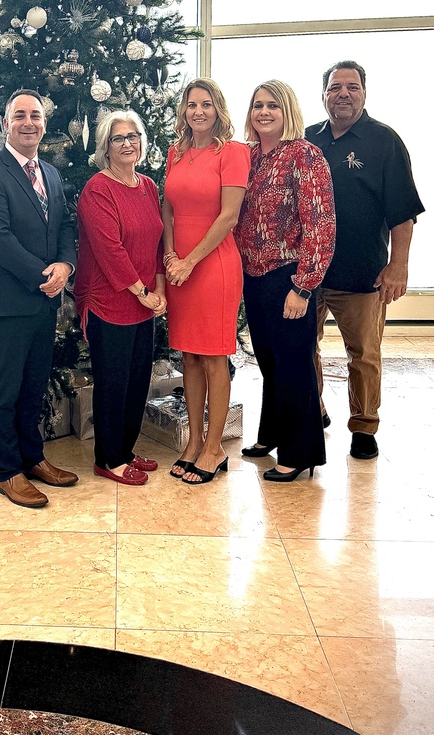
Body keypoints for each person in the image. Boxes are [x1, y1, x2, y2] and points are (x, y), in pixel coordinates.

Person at [305, 61, 425, 459]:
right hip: (308, 272)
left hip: (363, 272)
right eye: (335, 87)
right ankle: (314, 409)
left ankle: (364, 426)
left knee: (364, 354)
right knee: (305, 347)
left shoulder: (383, 141)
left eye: (351, 87)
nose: (343, 93)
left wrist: (399, 265)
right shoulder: (307, 140)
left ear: (364, 93)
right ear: (323, 94)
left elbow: (402, 211)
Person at [0, 88, 78, 508]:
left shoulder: (49, 172)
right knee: (6, 389)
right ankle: (7, 471)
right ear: (6, 124)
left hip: (44, 298)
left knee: (34, 386)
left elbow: (65, 224)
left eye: (35, 115)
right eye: (20, 116)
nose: (28, 122)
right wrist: (42, 276)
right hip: (10, 299)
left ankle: (33, 457)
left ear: (44, 124)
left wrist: (65, 267)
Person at [235, 80, 335, 481]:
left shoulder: (305, 156)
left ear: (288, 110)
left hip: (289, 277)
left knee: (294, 365)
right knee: (269, 363)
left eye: (272, 106)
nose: (263, 112)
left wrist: (303, 286)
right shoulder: (251, 157)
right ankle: (271, 434)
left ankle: (299, 453)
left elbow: (321, 226)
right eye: (257, 105)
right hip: (254, 278)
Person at [162, 79, 250, 485]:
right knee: (189, 356)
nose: (198, 111)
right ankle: (194, 441)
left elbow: (228, 216)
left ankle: (215, 448)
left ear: (218, 109)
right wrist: (170, 258)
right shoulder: (175, 152)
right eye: (192, 104)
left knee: (214, 356)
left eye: (207, 104)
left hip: (213, 265)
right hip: (179, 265)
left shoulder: (233, 153)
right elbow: (168, 210)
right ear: (184, 110)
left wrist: (191, 261)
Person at [75, 111, 166, 486]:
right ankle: (108, 458)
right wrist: (143, 292)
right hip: (110, 301)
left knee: (137, 382)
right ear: (105, 147)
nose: (127, 143)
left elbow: (159, 241)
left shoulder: (148, 185)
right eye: (118, 138)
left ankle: (125, 449)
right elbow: (109, 249)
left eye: (133, 136)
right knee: (113, 384)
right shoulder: (98, 188)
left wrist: (159, 288)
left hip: (145, 302)